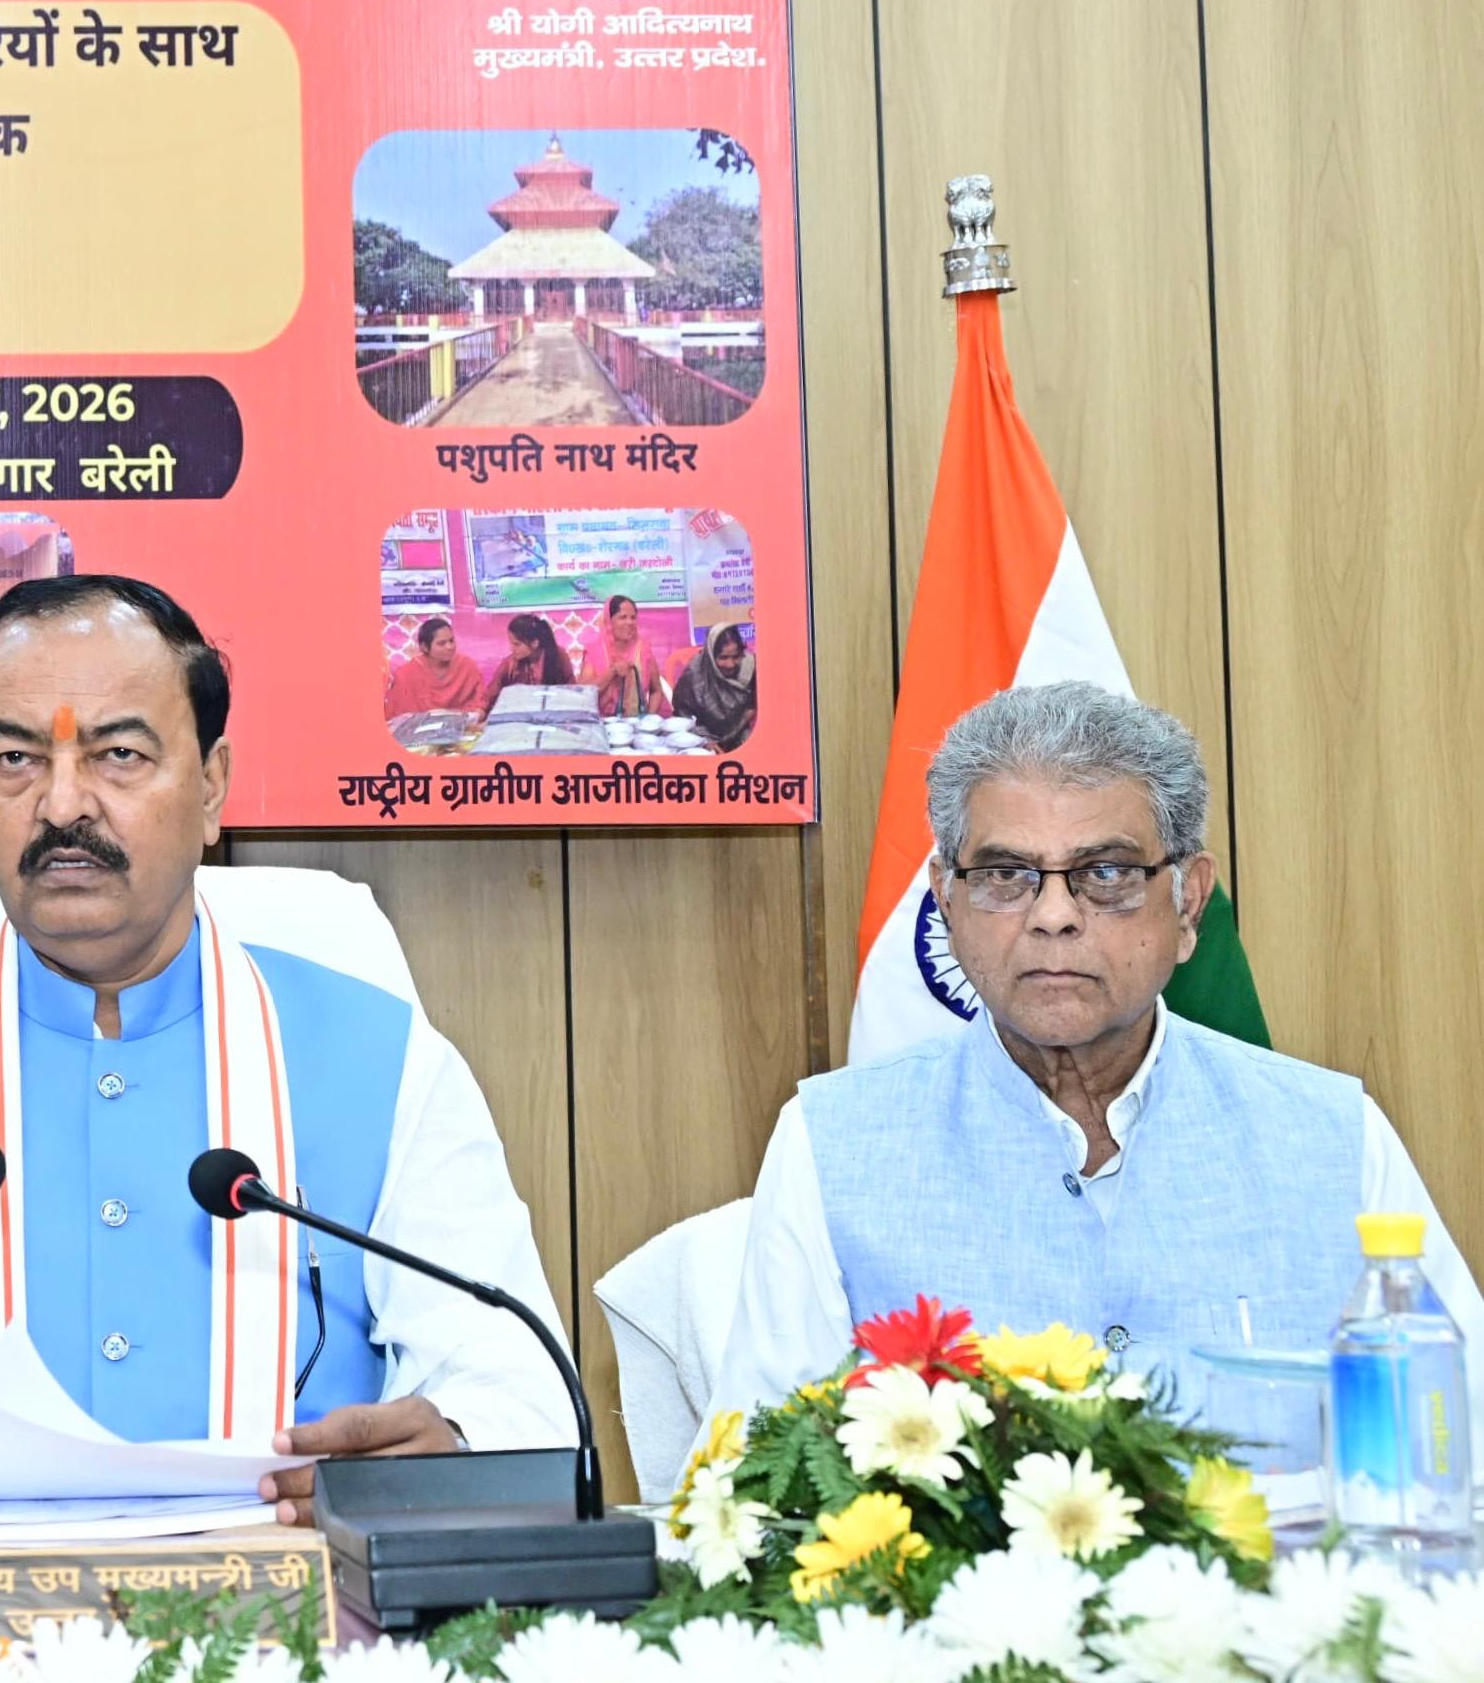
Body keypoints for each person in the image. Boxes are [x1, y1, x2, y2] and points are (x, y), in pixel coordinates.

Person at [0, 574, 576, 1523]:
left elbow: (521, 1398)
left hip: (296, 1599)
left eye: (119, 755)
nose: (62, 805)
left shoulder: (378, 1061)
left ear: (212, 786)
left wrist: (457, 1448)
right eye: (14, 759)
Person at [712, 682, 1484, 1435]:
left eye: (1106, 873)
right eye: (1004, 875)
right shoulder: (830, 1142)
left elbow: (1462, 1445)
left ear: (1187, 903)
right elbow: (752, 1477)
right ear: (945, 901)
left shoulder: (1331, 1136)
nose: (1052, 915)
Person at [577, 594, 671, 717]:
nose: (630, 622)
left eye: (633, 617)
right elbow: (584, 693)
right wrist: (612, 671)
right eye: (622, 617)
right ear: (609, 621)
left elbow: (656, 691)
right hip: (602, 723)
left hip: (636, 723)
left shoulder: (643, 649)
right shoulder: (594, 651)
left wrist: (649, 718)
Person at [670, 622, 757, 750]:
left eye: (736, 657)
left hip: (741, 730)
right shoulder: (694, 676)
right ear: (710, 655)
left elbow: (759, 703)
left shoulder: (750, 667)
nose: (731, 664)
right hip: (706, 736)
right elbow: (682, 716)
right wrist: (703, 741)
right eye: (723, 658)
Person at [383, 617, 489, 717]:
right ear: (424, 647)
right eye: (442, 644)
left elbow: (480, 704)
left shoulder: (466, 666)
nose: (450, 647)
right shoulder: (406, 675)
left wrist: (473, 716)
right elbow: (400, 717)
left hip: (464, 726)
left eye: (451, 641)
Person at [477, 612, 574, 713]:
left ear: (535, 643)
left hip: (554, 713)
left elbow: (571, 692)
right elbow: (489, 696)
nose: (511, 648)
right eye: (511, 643)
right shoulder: (510, 663)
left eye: (517, 644)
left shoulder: (558, 656)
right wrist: (478, 713)